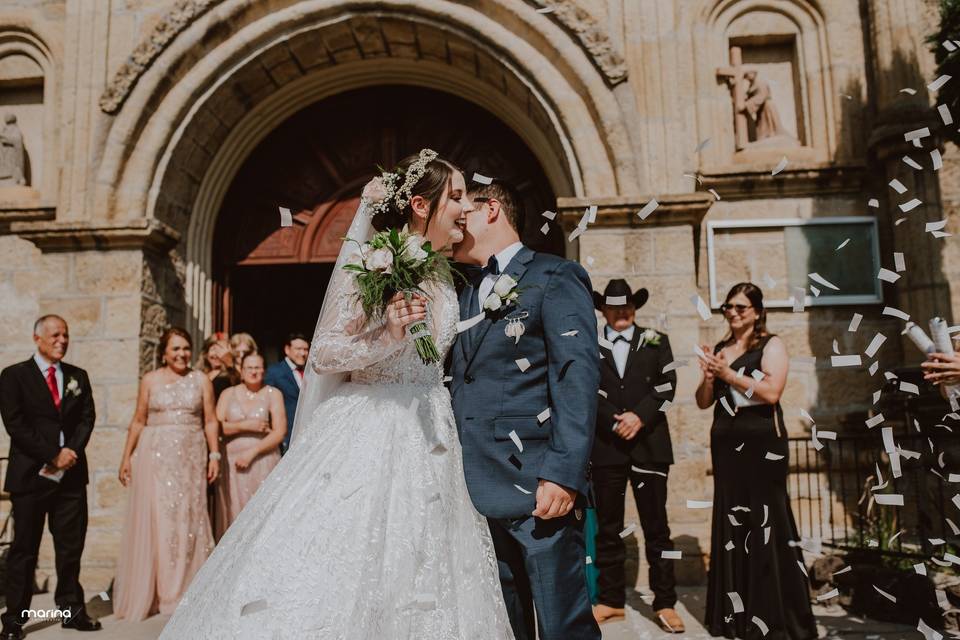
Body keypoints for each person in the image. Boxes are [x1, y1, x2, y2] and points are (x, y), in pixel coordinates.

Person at [158, 149, 514, 639]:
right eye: (455, 197)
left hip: (432, 426)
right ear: (418, 203)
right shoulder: (376, 263)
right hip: (372, 426)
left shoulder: (443, 273)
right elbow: (325, 353)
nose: (465, 207)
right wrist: (387, 333)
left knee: (429, 561)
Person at [450, 178, 601, 640]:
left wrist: (562, 472)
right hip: (475, 491)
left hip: (538, 487)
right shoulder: (460, 292)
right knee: (505, 625)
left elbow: (576, 377)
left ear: (491, 209)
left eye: (464, 217)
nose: (456, 229)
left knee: (563, 626)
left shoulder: (554, 276)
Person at [695, 283, 817, 640]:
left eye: (741, 307)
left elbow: (770, 393)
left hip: (762, 444)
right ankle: (735, 616)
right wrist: (708, 377)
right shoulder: (721, 349)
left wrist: (729, 374)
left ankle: (774, 616)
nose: (733, 313)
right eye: (727, 308)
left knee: (766, 520)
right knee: (733, 520)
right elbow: (704, 401)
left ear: (758, 311)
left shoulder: (771, 345)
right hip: (726, 444)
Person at [0, 315, 102, 639]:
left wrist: (70, 452)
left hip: (70, 477)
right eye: (55, 334)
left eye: (66, 335)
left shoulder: (78, 376)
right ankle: (14, 619)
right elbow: (15, 424)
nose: (62, 340)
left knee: (70, 548)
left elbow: (87, 417)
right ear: (37, 338)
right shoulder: (14, 376)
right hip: (30, 476)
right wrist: (51, 455)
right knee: (24, 549)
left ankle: (72, 610)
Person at [590, 279, 683, 633]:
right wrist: (613, 420)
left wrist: (640, 416)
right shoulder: (590, 342)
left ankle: (665, 602)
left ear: (634, 308)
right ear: (603, 310)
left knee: (657, 528)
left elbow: (668, 385)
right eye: (614, 307)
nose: (621, 313)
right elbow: (584, 386)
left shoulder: (658, 341)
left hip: (650, 445)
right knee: (608, 529)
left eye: (627, 306)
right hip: (608, 448)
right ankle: (612, 600)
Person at [114, 327, 219, 621]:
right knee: (160, 519)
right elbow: (138, 420)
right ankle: (159, 592)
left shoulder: (201, 380)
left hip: (191, 457)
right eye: (176, 349)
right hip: (155, 456)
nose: (182, 354)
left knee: (189, 517)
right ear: (164, 353)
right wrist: (126, 457)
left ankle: (186, 588)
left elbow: (210, 421)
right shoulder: (150, 380)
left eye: (186, 348)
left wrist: (214, 454)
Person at [213, 352, 285, 539]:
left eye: (258, 368)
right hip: (231, 463)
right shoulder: (228, 394)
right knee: (233, 513)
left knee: (260, 513)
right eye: (250, 368)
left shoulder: (273, 393)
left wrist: (252, 453)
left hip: (263, 460)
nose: (254, 372)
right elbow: (217, 426)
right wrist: (244, 425)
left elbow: (279, 432)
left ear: (264, 370)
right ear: (242, 371)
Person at [264, 333, 309, 453]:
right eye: (298, 349)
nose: (303, 353)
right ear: (287, 349)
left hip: (307, 433)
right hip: (285, 435)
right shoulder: (274, 372)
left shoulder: (311, 373)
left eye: (306, 349)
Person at [198, 332, 239, 400]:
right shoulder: (199, 373)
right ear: (206, 353)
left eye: (220, 350)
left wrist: (230, 363)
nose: (216, 355)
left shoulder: (229, 376)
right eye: (213, 349)